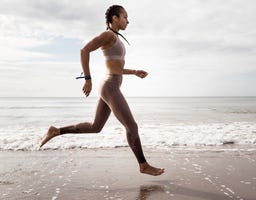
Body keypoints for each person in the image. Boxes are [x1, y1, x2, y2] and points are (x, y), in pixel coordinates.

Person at [39, 5, 164, 176]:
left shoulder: (116, 38)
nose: (128, 20)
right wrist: (87, 79)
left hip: (111, 84)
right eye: (125, 17)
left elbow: (116, 68)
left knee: (96, 127)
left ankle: (56, 130)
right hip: (110, 86)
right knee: (132, 126)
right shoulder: (108, 35)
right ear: (115, 18)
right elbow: (84, 50)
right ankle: (143, 165)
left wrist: (134, 72)